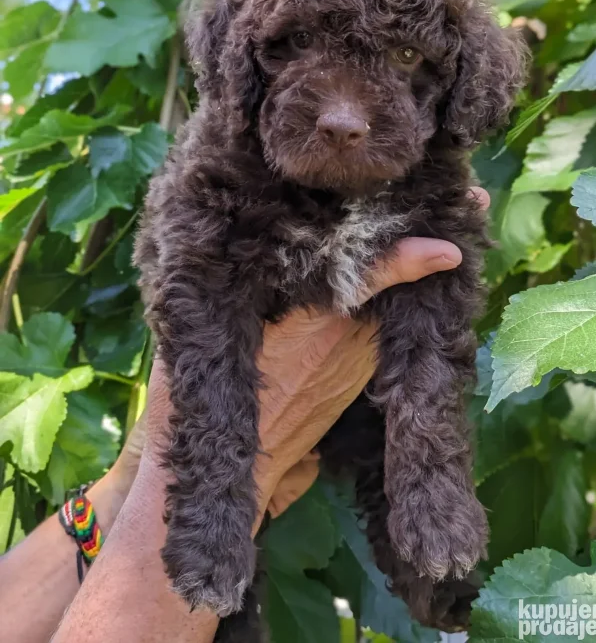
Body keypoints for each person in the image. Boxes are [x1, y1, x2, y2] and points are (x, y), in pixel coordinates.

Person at [0, 189, 488, 643]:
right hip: (228, 387)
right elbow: (197, 285)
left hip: (350, 413)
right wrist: (220, 465)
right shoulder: (229, 183)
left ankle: (420, 558)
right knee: (219, 551)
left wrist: (127, 488)